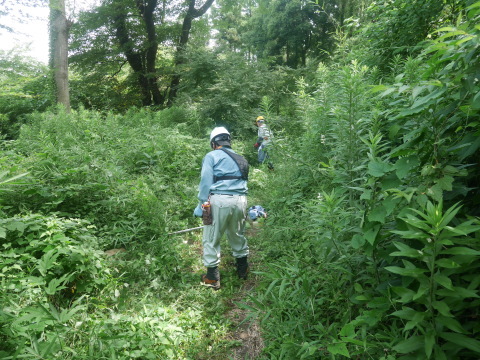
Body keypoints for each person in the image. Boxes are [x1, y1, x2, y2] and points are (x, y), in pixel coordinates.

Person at [193, 127, 249, 290]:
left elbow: (205, 182)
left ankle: (212, 278)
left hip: (219, 200)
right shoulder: (241, 159)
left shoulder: (211, 156)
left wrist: (201, 204)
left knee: (211, 237)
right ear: (228, 141)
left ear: (213, 143)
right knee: (237, 233)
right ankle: (243, 269)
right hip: (241, 200)